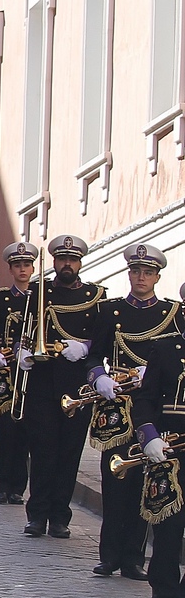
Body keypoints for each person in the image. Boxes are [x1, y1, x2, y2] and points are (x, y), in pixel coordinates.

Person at [85, 243, 179, 579]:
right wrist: (100, 379)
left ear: (157, 277)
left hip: (153, 407)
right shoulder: (110, 311)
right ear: (129, 274)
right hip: (116, 407)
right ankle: (108, 554)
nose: (141, 277)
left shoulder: (173, 313)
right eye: (136, 271)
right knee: (114, 481)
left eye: (148, 273)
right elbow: (94, 356)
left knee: (147, 482)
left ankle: (133, 557)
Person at [17, 234, 106, 538]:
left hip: (77, 385)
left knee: (69, 452)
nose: (67, 264)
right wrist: (24, 352)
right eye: (62, 259)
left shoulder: (96, 296)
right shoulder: (39, 292)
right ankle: (37, 514)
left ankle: (60, 516)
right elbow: (24, 329)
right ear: (54, 262)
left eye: (72, 260)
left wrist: (85, 346)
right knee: (42, 449)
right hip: (43, 380)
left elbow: (105, 339)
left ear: (80, 263)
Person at [129, 307, 185, 598]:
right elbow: (146, 398)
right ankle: (161, 596)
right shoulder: (165, 347)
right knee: (167, 525)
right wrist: (148, 434)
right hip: (170, 449)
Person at [0, 242, 38, 505]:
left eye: (27, 265)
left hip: (32, 371)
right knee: (4, 429)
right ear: (11, 269)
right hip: (4, 370)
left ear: (33, 267)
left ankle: (18, 487)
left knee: (26, 429)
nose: (23, 270)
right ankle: (0, 485)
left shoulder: (41, 297)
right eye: (18, 266)